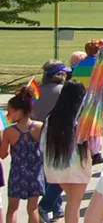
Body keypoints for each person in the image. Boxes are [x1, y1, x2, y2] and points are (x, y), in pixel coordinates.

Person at [41, 81, 92, 223]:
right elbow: (93, 146)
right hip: (79, 165)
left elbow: (43, 145)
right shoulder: (82, 119)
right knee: (74, 204)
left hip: (58, 165)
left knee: (71, 202)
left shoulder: (51, 118)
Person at [32, 60, 71, 220]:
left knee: (48, 172)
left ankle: (56, 207)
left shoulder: (36, 92)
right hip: (59, 136)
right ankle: (46, 205)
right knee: (59, 174)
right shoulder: (64, 92)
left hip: (39, 136)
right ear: (58, 75)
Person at [2, 85, 45, 223]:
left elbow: (3, 155)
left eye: (10, 112)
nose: (8, 115)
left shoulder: (9, 132)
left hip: (17, 174)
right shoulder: (40, 127)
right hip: (35, 172)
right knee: (32, 209)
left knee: (12, 209)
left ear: (19, 112)